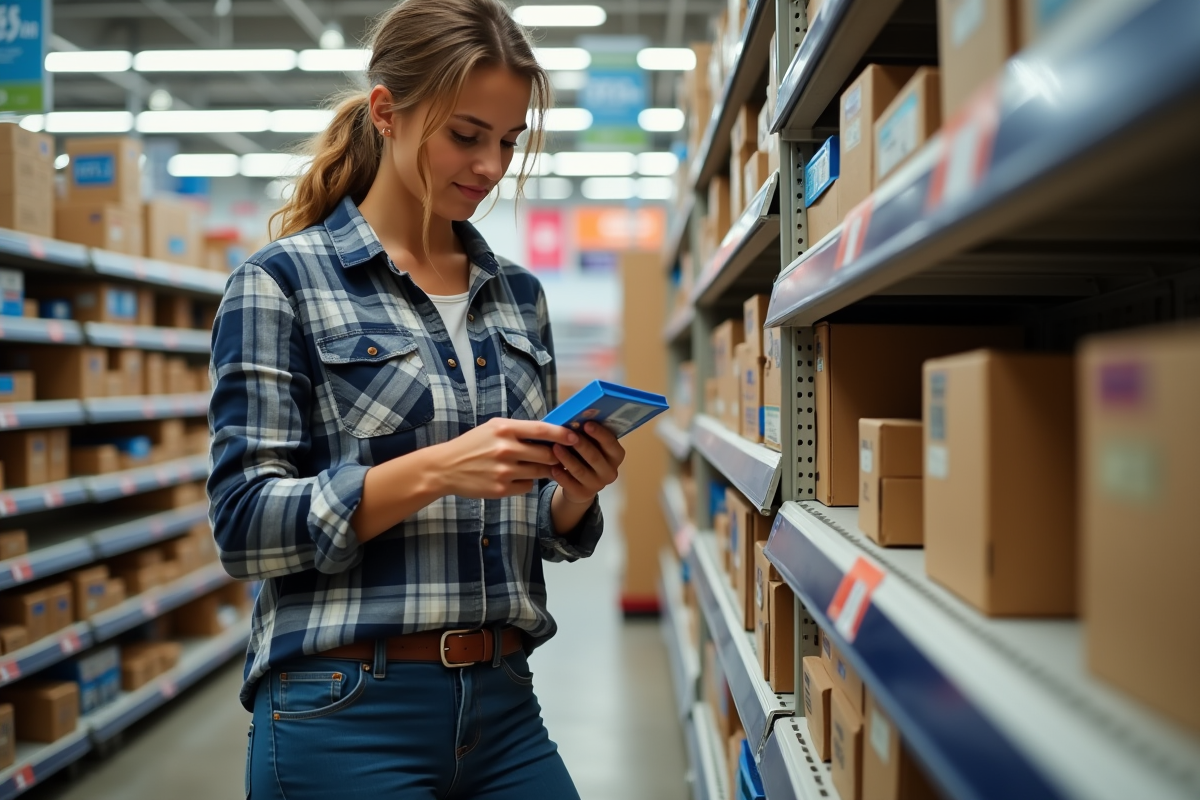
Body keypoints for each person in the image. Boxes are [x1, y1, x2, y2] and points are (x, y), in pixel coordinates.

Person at [207, 0, 624, 796]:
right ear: (387, 113)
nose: (491, 166)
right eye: (465, 136)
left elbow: (526, 527)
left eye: (508, 142)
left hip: (504, 705)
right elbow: (243, 527)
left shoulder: (517, 296)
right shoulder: (280, 285)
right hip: (344, 710)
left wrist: (573, 495)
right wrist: (433, 470)